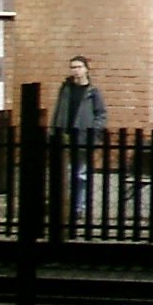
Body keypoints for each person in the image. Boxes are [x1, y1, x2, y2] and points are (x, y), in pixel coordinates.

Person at [51, 56, 107, 221]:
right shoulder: (66, 89)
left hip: (83, 137)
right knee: (66, 173)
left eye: (79, 67)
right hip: (66, 136)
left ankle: (78, 207)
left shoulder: (92, 91)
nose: (76, 70)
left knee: (80, 174)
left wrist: (94, 131)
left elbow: (101, 114)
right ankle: (65, 206)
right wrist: (54, 130)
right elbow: (58, 111)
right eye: (73, 67)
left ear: (86, 69)